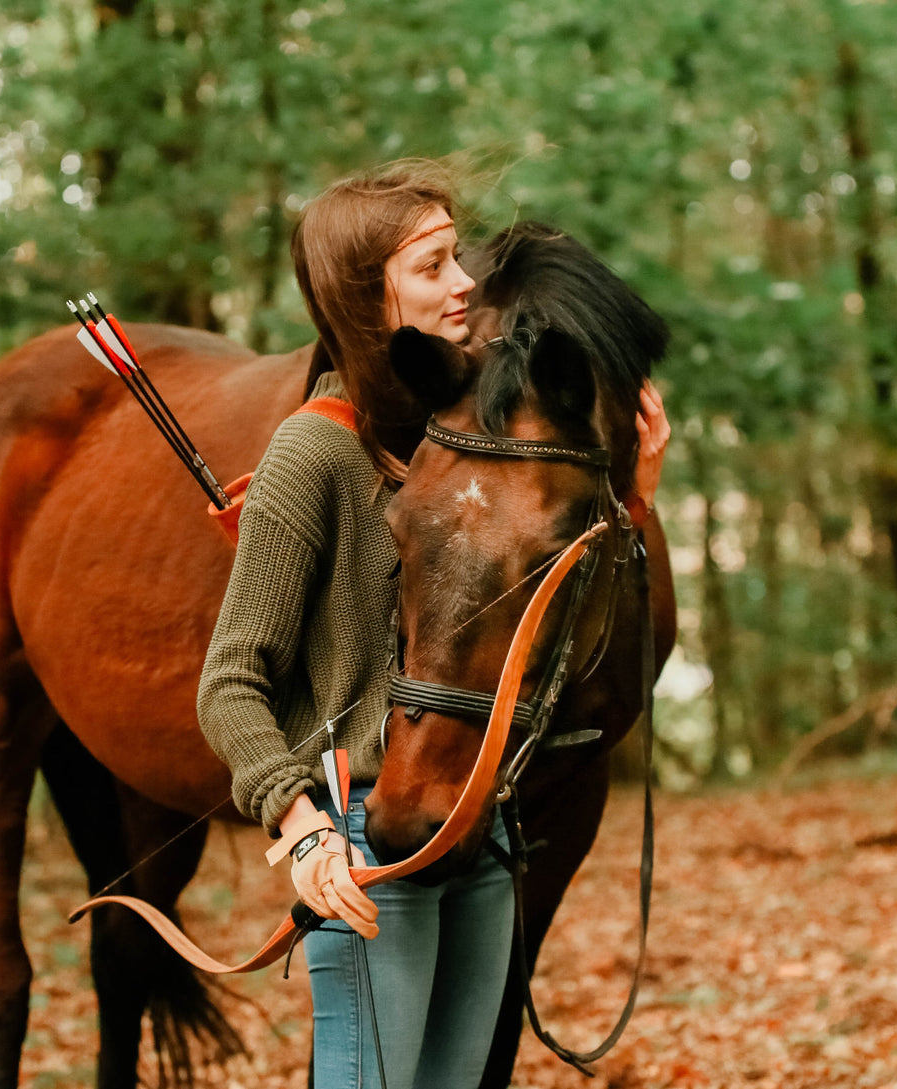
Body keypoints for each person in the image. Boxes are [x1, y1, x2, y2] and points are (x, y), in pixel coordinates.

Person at [197, 161, 669, 1089]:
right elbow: (229, 682)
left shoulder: (462, 426)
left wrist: (633, 498)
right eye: (432, 266)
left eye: (458, 257)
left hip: (481, 832)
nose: (464, 283)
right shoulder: (312, 448)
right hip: (363, 838)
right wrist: (303, 827)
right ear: (364, 297)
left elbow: (535, 604)